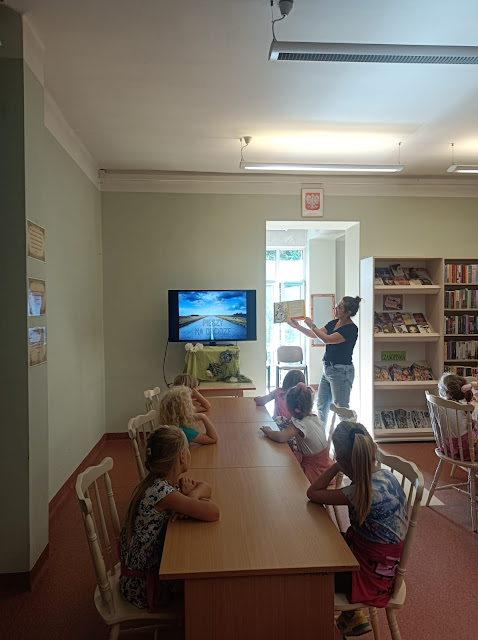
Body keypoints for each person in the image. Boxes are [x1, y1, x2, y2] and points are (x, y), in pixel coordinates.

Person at [307, 421, 408, 638]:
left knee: (307, 571)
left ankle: (330, 626)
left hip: (369, 577)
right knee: (325, 543)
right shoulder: (386, 477)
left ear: (344, 461)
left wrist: (336, 464)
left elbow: (313, 492)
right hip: (386, 568)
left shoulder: (358, 492)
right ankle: (353, 616)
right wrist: (343, 461)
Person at [120, 426, 220, 610]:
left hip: (136, 574)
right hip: (144, 585)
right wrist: (190, 502)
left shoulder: (157, 483)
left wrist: (189, 499)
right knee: (209, 590)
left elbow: (206, 486)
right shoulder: (164, 493)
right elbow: (213, 512)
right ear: (182, 456)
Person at [288, 296, 361, 427]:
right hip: (327, 369)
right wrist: (298, 327)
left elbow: (326, 339)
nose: (336, 309)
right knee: (321, 405)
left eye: (340, 307)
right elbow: (314, 335)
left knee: (341, 408)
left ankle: (348, 439)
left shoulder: (351, 329)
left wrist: (312, 325)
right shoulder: (334, 323)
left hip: (341, 371)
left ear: (348, 312)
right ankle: (321, 437)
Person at [261, 381, 333, 483]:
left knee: (283, 476)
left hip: (314, 469)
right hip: (325, 464)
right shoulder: (314, 417)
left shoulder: (298, 423)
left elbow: (281, 437)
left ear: (290, 408)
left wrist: (268, 431)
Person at [254, 369, 306, 452]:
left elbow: (262, 401)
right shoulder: (302, 397)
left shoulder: (278, 391)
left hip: (276, 427)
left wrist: (257, 398)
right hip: (293, 430)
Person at [438, 372, 478, 461]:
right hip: (465, 449)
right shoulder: (466, 407)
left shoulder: (439, 405)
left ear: (445, 392)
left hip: (447, 446)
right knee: (474, 431)